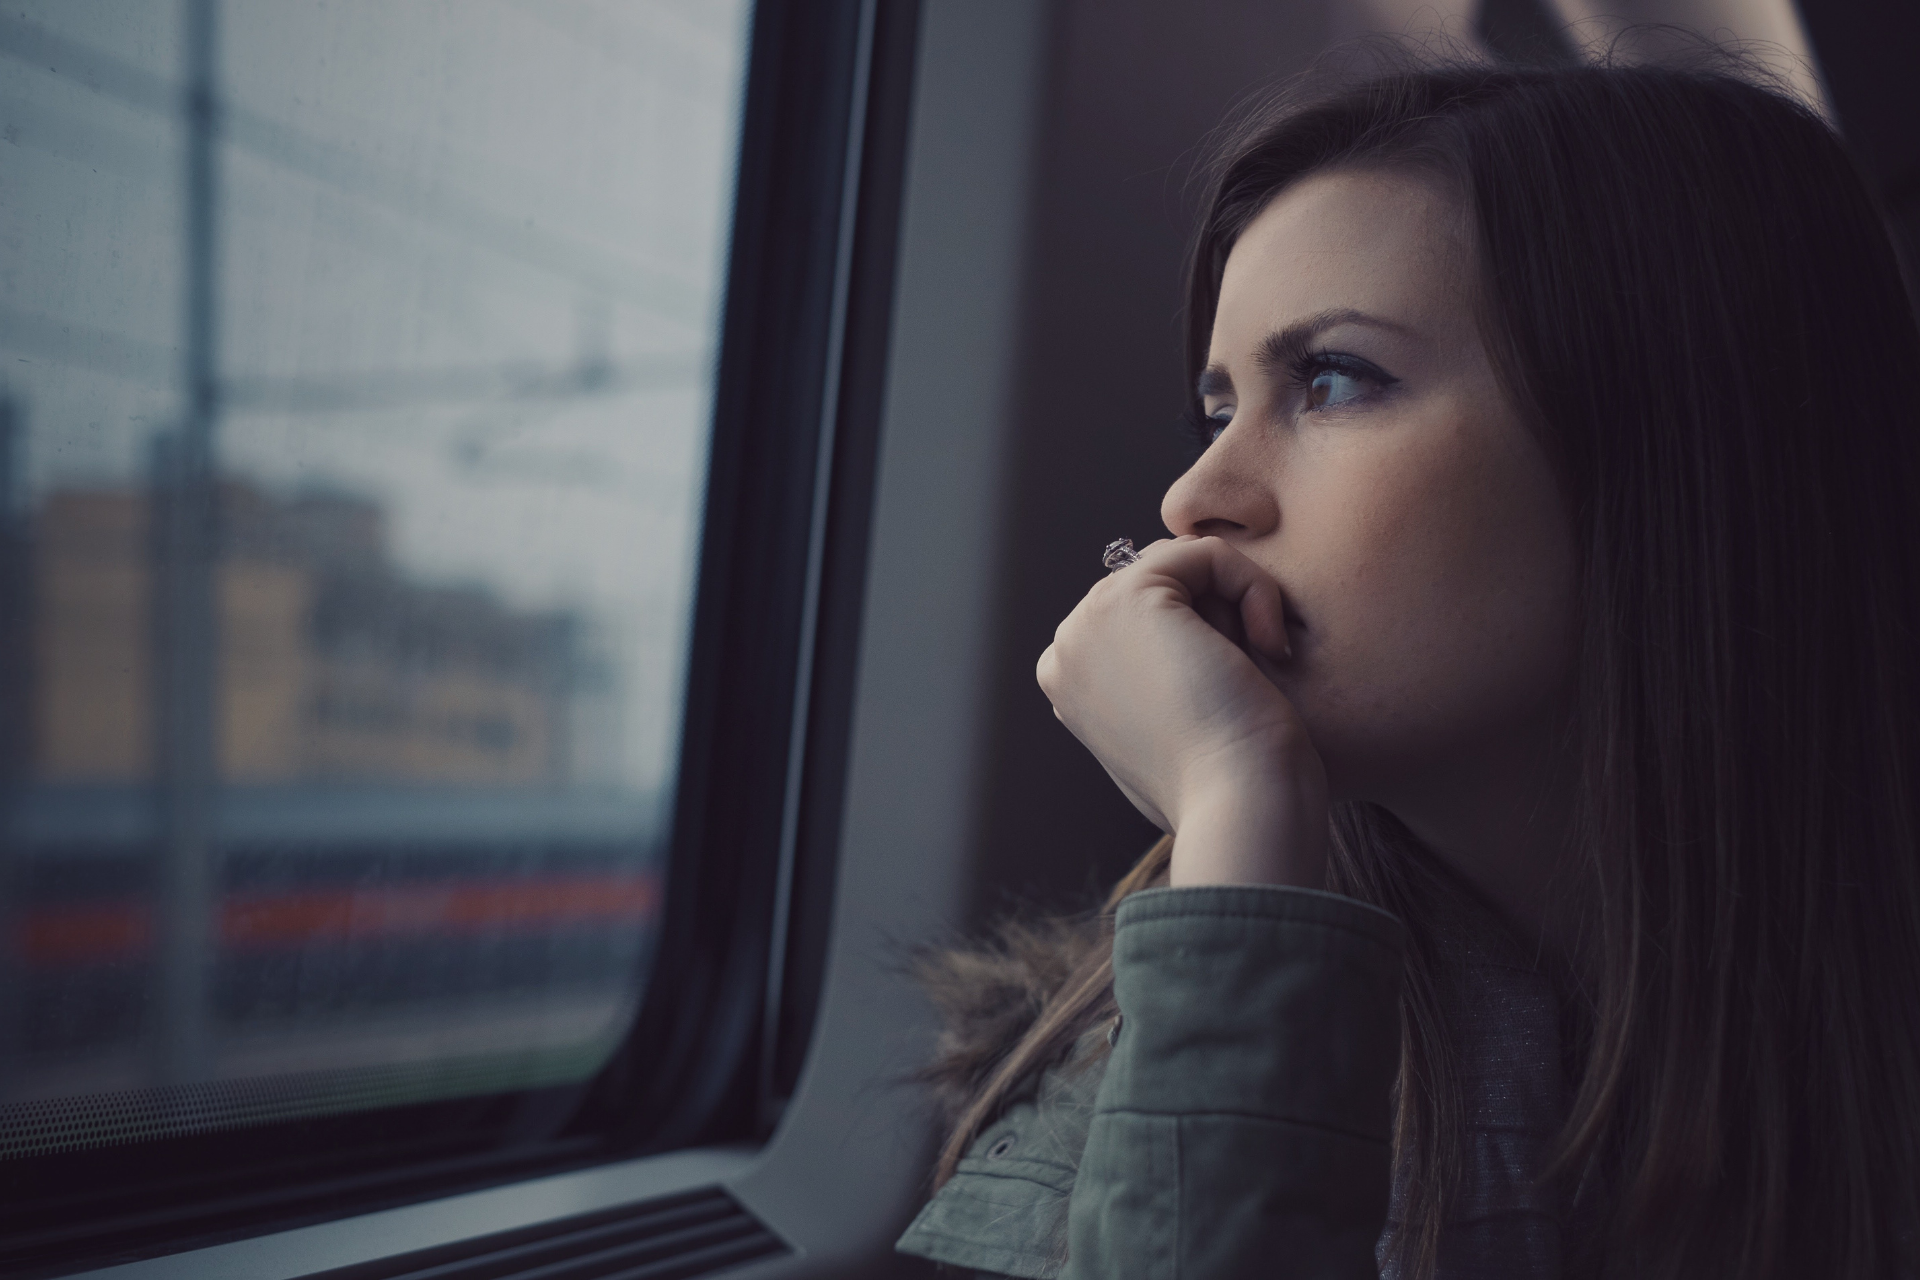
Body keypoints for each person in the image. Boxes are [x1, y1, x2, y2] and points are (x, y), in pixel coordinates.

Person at [893, 52, 1920, 1280]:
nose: (1194, 495)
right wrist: (1240, 816)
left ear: (1681, 446)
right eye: (1217, 412)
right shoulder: (1116, 1058)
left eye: (1331, 380)